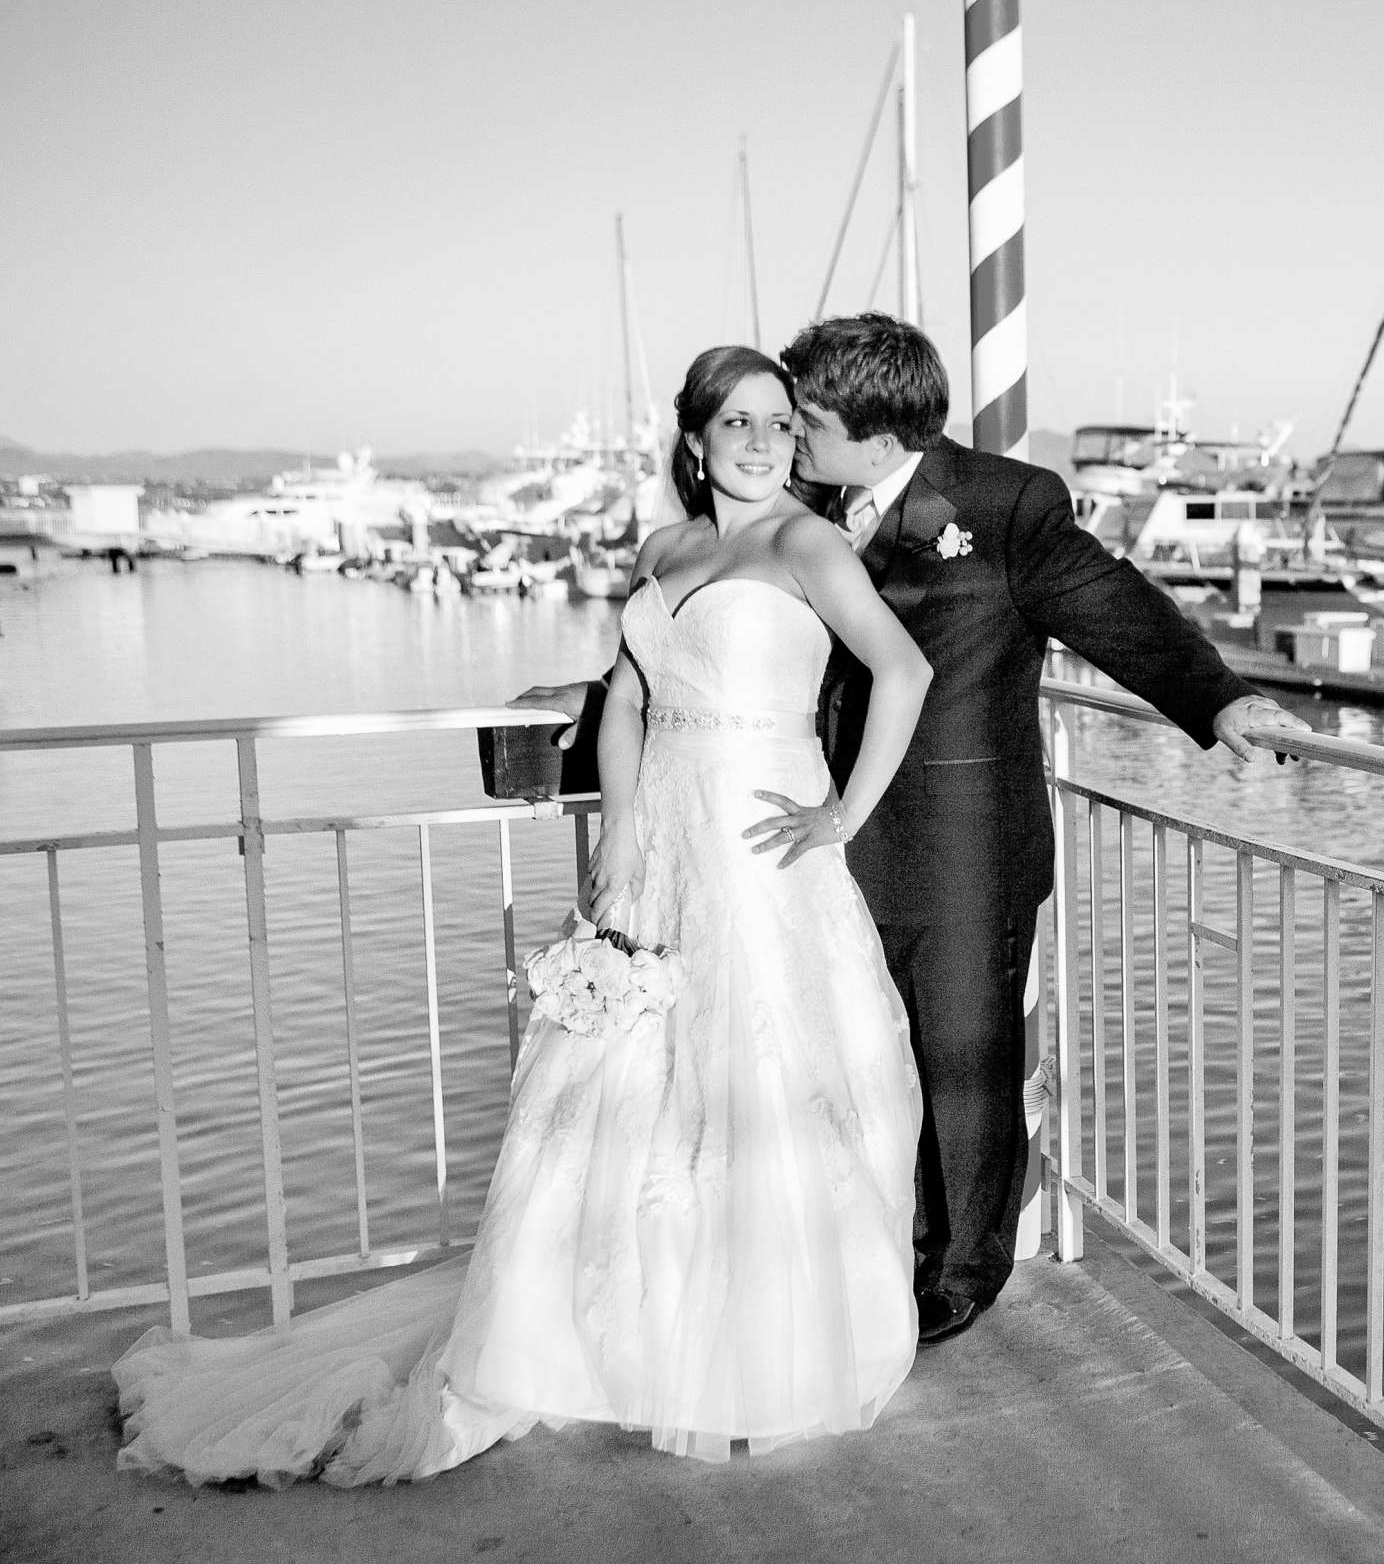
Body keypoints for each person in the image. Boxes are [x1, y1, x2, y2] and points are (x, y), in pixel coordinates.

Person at [113, 346, 934, 1485]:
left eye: (777, 421)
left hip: (760, 852)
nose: (758, 440)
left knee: (756, 1085)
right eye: (734, 422)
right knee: (628, 1093)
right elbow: (636, 697)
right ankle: (618, 1331)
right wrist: (628, 830)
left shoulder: (808, 543)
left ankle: (758, 1342)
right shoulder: (666, 550)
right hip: (665, 849)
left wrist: (842, 816)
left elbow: (904, 672)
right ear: (692, 439)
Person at [517, 313, 1308, 1346]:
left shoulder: (1004, 506)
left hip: (958, 843)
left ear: (878, 437)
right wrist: (590, 704)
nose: (786, 439)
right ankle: (867, 1243)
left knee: (958, 1062)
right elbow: (743, 650)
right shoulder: (807, 508)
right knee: (856, 1059)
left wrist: (1220, 701)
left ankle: (962, 1272)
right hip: (801, 843)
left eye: (805, 421)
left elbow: (1116, 607)